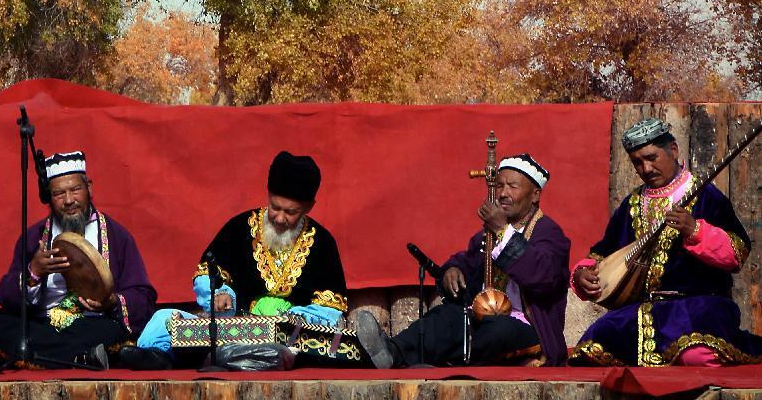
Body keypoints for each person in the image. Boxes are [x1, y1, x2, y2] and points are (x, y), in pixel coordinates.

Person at [569, 118, 762, 366]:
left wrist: (695, 231)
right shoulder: (631, 205)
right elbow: (603, 253)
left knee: (695, 354)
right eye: (637, 162)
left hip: (699, 305)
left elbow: (738, 253)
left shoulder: (706, 196)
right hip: (641, 310)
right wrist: (584, 274)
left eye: (652, 158)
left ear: (673, 150)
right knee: (589, 352)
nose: (646, 168)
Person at [134, 151, 348, 366]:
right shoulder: (239, 228)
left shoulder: (323, 243)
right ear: (268, 196)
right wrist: (220, 295)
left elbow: (329, 308)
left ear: (308, 207)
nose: (280, 218)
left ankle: (241, 359)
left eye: (290, 212)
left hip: (291, 339)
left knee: (297, 349)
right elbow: (207, 273)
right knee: (163, 319)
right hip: (234, 329)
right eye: (275, 207)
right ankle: (158, 357)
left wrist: (288, 319)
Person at [356, 154, 570, 367]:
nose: (503, 193)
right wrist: (453, 270)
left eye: (512, 186)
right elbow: (464, 261)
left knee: (496, 330)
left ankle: (439, 361)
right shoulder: (486, 235)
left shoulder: (549, 234)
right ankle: (394, 352)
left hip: (528, 328)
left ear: (534, 195)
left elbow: (542, 276)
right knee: (445, 315)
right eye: (500, 185)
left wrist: (502, 231)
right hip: (485, 318)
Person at [0, 151, 157, 369]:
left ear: (89, 187)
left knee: (107, 332)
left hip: (93, 322)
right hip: (43, 323)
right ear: (49, 198)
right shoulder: (34, 237)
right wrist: (33, 273)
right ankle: (83, 358)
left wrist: (112, 302)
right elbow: (6, 297)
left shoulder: (117, 235)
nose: (69, 201)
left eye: (75, 190)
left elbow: (143, 294)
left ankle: (33, 357)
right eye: (59, 194)